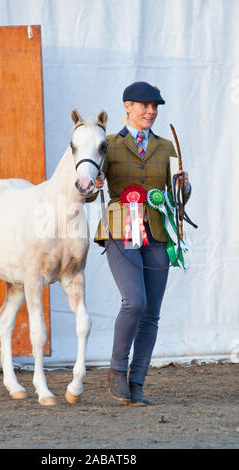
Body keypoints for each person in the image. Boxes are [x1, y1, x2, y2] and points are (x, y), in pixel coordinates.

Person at [87, 81, 192, 405]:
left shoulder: (166, 148)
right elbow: (89, 192)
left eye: (155, 107)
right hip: (120, 230)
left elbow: (178, 199)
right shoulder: (108, 144)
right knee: (134, 301)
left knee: (152, 313)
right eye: (144, 106)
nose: (151, 111)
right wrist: (95, 184)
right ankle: (117, 370)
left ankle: (137, 382)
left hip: (158, 234)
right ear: (127, 107)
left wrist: (184, 188)